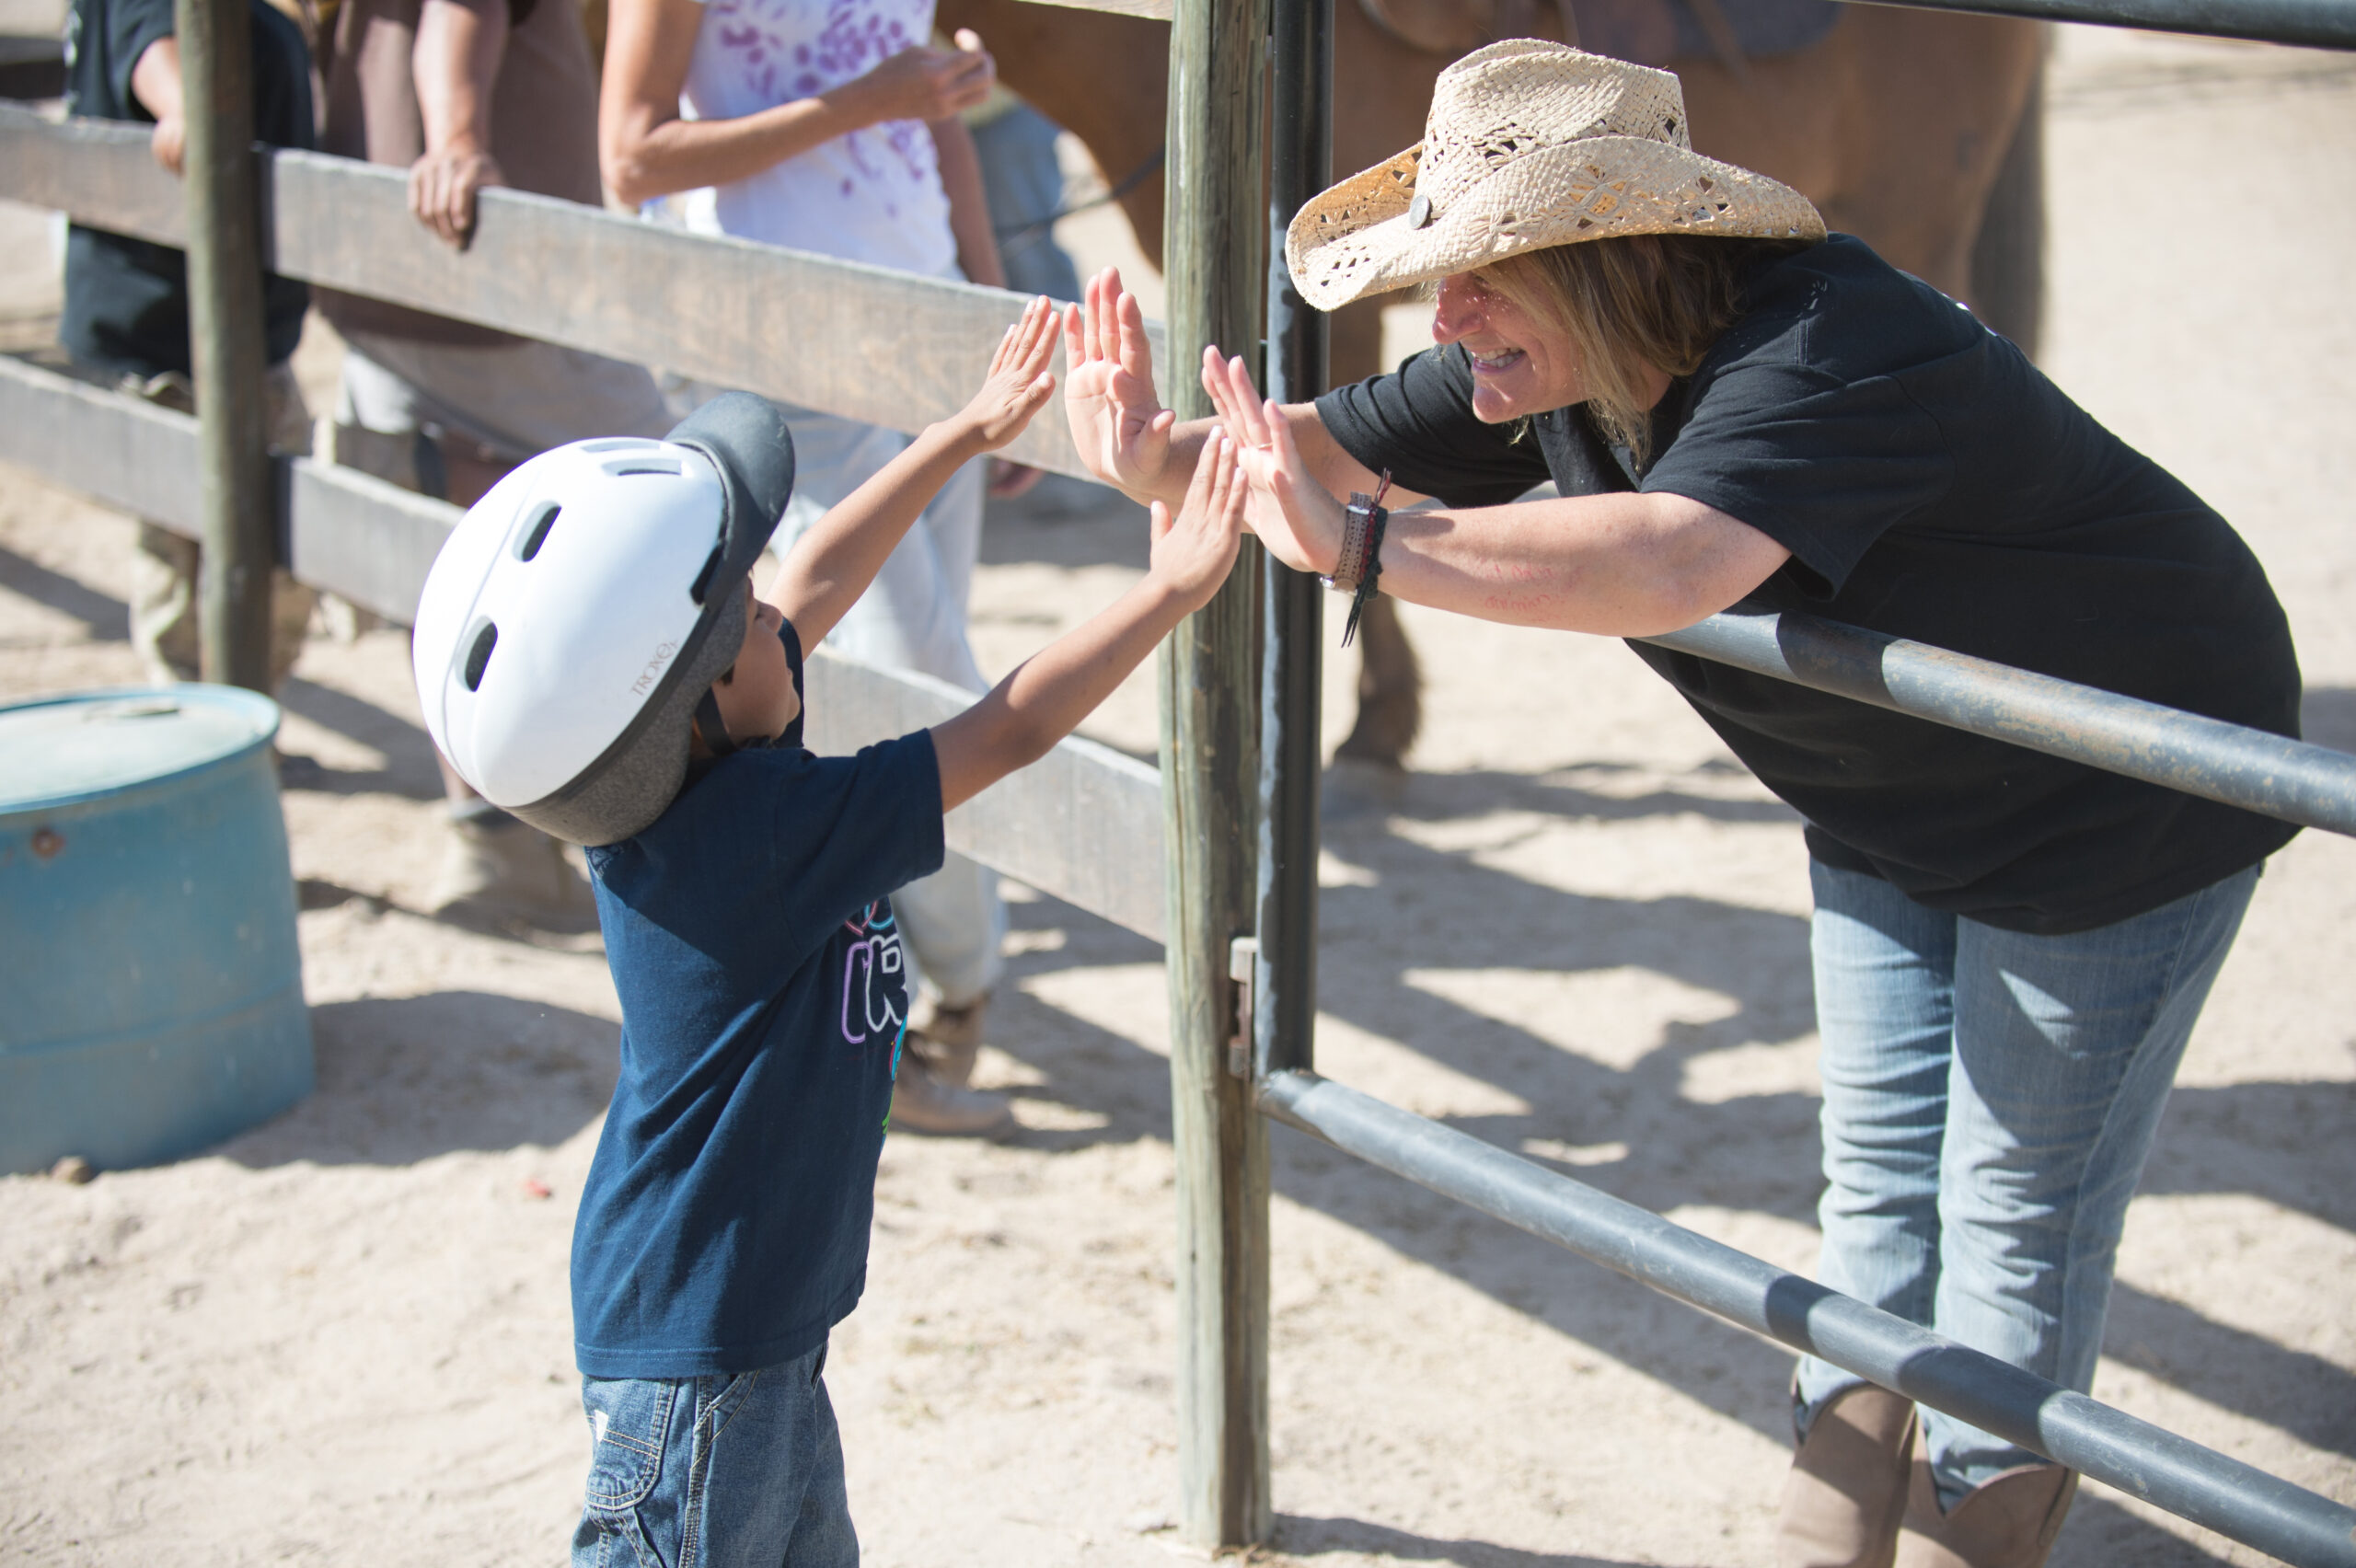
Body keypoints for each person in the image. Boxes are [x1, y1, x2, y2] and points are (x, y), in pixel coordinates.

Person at [1064, 42, 2302, 1568]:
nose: (1438, 313)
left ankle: (1986, 1534)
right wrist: (1150, 458)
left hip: (2121, 787)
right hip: (1890, 788)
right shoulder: (1532, 361)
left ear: (1598, 254)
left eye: (1477, 269)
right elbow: (1299, 453)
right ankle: (1827, 1533)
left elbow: (1668, 558)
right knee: (1878, 1184)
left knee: (2012, 1206)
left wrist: (1374, 549)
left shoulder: (1828, 341)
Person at [407, 298, 1246, 1566]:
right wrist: (1172, 588)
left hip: (743, 1335)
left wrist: (962, 434)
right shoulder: (760, 835)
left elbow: (814, 579)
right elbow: (1005, 730)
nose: (773, 613)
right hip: (704, 1375)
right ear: (679, 704)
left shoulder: (690, 777)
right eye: (740, 616)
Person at [599, 0, 1022, 1133]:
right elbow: (630, 157)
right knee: (917, 680)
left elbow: (936, 126)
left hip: (930, 321)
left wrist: (995, 307)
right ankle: (952, 993)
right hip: (789, 346)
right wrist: (858, 105)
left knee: (913, 673)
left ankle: (930, 997)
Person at [320, 0, 678, 929]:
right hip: (499, 275)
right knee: (680, 509)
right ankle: (672, 847)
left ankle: (490, 833)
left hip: (379, 271)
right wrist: (459, 138)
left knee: (450, 552)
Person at [60, 0, 317, 696]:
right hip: (187, 329)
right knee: (212, 538)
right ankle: (207, 721)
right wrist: (186, 108)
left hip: (204, 321)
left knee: (229, 530)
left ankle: (225, 711)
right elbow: (156, 54)